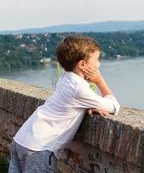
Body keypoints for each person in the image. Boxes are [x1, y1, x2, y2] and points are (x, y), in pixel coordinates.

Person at [8, 35, 120, 172]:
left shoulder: (65, 78)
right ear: (83, 64)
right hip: (39, 149)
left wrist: (88, 105)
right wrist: (99, 81)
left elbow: (71, 102)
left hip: (21, 140)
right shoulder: (78, 89)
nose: (99, 64)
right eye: (97, 59)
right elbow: (114, 106)